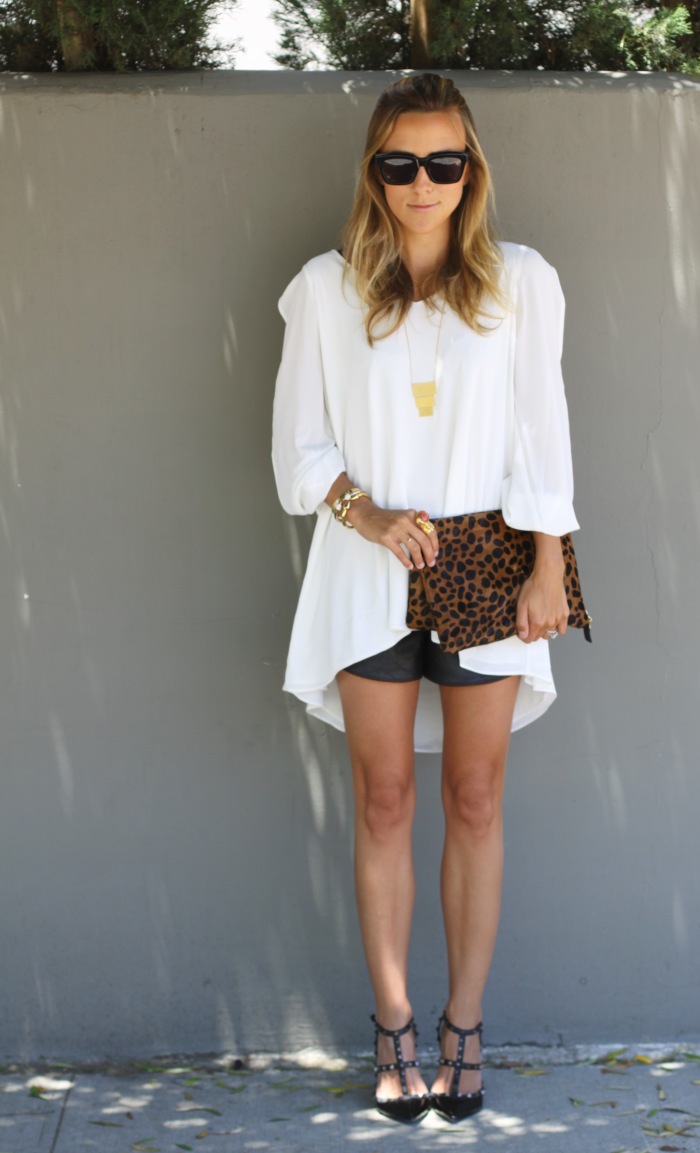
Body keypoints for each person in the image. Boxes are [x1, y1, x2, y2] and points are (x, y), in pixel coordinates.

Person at [272, 72, 578, 1125]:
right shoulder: (324, 289)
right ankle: (395, 1025)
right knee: (386, 800)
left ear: (470, 169)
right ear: (374, 169)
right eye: (400, 161)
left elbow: (542, 430)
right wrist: (362, 512)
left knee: (477, 797)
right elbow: (298, 449)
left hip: (492, 566)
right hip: (368, 573)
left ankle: (465, 1025)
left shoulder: (521, 282)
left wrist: (549, 561)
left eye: (444, 161)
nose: (422, 182)